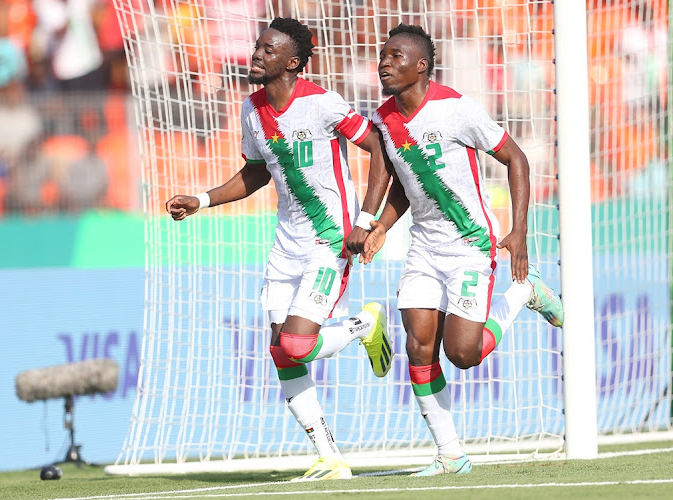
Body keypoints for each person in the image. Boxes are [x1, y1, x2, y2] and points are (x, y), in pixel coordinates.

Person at [165, 17, 393, 482]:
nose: (256, 54)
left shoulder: (323, 104)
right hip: (285, 244)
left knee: (296, 343)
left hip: (329, 242)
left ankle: (364, 324)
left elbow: (381, 153)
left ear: (292, 62)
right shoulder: (252, 109)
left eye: (269, 50)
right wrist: (203, 200)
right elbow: (256, 173)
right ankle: (330, 457)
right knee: (281, 352)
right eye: (256, 46)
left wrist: (366, 221)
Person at [352, 24, 564, 476]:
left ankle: (524, 295)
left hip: (470, 245)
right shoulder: (384, 118)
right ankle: (451, 454)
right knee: (418, 346)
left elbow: (516, 158)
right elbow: (406, 188)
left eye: (394, 56)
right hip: (424, 249)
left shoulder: (456, 109)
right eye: (382, 55)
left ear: (421, 65)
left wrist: (519, 230)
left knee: (463, 355)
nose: (383, 62)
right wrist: (382, 228)